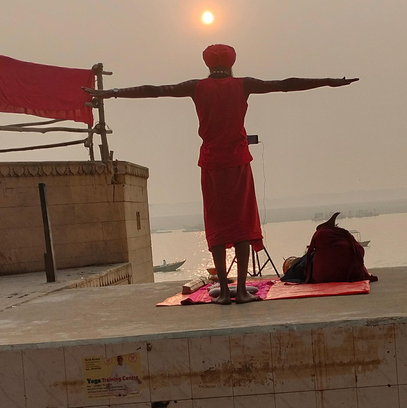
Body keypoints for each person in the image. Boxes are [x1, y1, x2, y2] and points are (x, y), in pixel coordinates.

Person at [85, 44, 357, 304]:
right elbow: (286, 84)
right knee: (241, 222)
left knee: (216, 222)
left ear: (208, 63)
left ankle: (225, 292)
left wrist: (114, 92)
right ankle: (241, 291)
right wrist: (328, 80)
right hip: (237, 161)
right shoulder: (242, 84)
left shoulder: (197, 86)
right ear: (232, 62)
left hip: (212, 162)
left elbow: (156, 90)